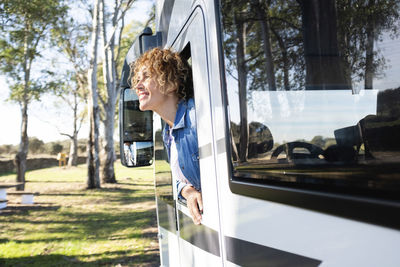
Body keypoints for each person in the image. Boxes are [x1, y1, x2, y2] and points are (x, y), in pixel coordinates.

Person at [130, 47, 202, 225]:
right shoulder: (168, 132)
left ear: (171, 83)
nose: (138, 86)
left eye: (146, 77)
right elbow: (178, 179)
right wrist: (187, 190)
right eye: (137, 79)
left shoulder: (198, 119)